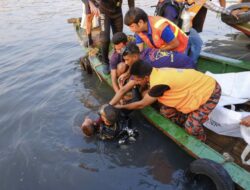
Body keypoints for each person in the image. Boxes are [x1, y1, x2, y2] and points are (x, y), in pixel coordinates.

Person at [111, 60, 221, 141]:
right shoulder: (155, 71)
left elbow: (141, 104)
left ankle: (201, 140)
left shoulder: (158, 83)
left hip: (210, 91)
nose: (136, 83)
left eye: (137, 80)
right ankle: (186, 119)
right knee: (165, 111)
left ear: (145, 78)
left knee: (192, 127)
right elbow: (125, 89)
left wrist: (120, 107)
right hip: (195, 87)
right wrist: (111, 105)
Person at [124, 7, 188, 53]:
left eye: (132, 26)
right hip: (166, 49)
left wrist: (158, 51)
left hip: (181, 48)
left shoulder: (160, 27)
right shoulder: (138, 30)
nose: (131, 30)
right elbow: (140, 49)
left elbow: (175, 44)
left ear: (140, 22)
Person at [99, 0, 134, 74]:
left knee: (119, 39)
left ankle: (118, 58)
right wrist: (95, 6)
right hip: (103, 13)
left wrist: (132, 11)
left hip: (117, 12)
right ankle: (105, 62)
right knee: (104, 39)